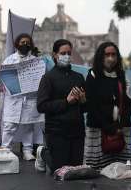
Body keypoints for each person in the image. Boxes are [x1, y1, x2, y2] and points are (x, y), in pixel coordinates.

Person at [35, 39, 86, 173]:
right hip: (57, 131)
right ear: (55, 55)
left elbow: (86, 107)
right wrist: (66, 102)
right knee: (60, 171)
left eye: (69, 53)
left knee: (75, 171)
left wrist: (83, 100)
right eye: (63, 53)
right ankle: (42, 153)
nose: (66, 56)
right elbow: (41, 106)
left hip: (77, 131)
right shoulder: (48, 78)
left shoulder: (79, 77)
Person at [84, 41, 131, 169]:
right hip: (99, 130)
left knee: (120, 170)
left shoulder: (122, 76)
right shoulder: (93, 75)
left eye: (113, 54)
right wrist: (108, 127)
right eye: (107, 55)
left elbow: (128, 103)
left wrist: (120, 125)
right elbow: (92, 106)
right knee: (97, 171)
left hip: (120, 130)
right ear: (101, 56)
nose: (110, 58)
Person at [1, 33, 44, 161]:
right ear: (17, 44)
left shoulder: (35, 61)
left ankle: (27, 151)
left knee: (28, 126)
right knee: (9, 126)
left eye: (27, 42)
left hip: (29, 98)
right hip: (13, 98)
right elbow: (2, 78)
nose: (25, 45)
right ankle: (5, 151)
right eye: (22, 42)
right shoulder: (9, 60)